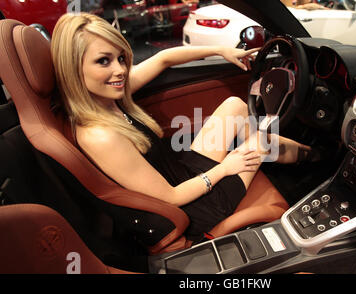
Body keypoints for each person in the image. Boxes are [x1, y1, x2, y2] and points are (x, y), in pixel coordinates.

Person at [50, 13, 321, 242]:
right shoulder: (99, 135)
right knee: (261, 144)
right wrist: (227, 168)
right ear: (74, 68)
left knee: (235, 106)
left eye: (121, 58)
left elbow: (163, 59)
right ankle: (317, 156)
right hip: (191, 207)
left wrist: (220, 50)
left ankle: (267, 161)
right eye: (103, 61)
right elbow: (171, 197)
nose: (120, 70)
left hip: (182, 172)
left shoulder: (108, 96)